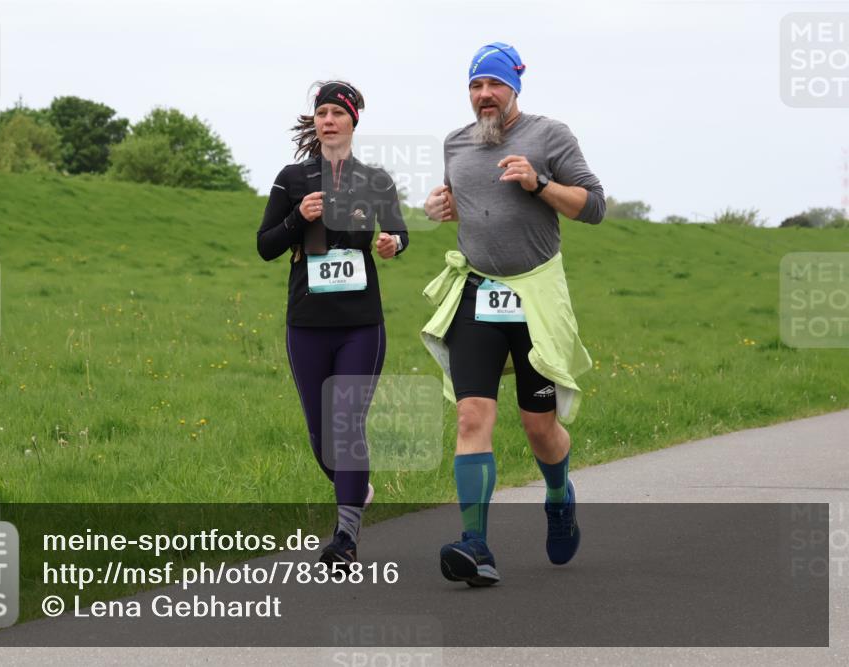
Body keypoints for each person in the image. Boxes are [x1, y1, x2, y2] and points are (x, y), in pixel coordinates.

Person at [421, 42, 605, 586]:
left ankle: (558, 496)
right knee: (471, 416)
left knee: (538, 427)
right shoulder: (456, 143)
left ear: (514, 89)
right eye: (476, 86)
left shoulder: (550, 136)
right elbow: (462, 202)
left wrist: (539, 183)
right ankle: (475, 544)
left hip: (535, 300)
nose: (484, 96)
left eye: (494, 86)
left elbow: (594, 206)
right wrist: (438, 208)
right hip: (477, 295)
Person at [257, 81, 409, 567]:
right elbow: (265, 245)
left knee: (346, 425)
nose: (327, 120)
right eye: (320, 112)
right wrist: (298, 218)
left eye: (336, 113)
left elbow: (399, 233)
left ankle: (345, 537)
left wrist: (393, 245)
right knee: (323, 436)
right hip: (306, 322)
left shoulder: (375, 180)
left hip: (360, 323)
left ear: (353, 121)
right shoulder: (292, 178)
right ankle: (355, 486)